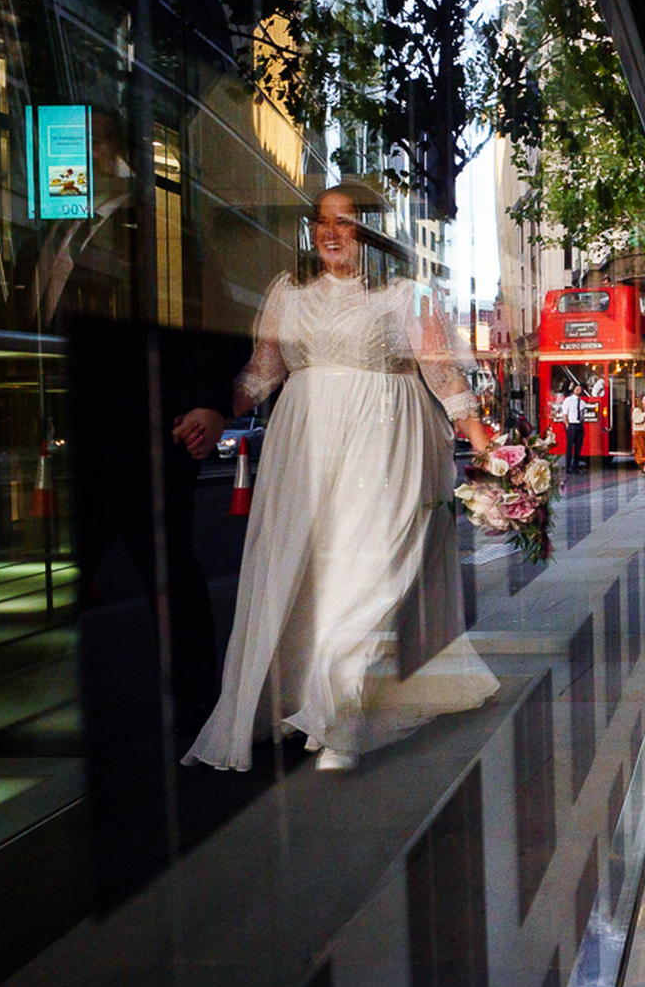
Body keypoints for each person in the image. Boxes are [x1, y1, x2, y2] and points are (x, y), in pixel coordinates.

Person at [183, 183, 499, 774]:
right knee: (308, 570)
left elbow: (442, 372)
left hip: (386, 438)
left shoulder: (405, 295)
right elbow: (262, 371)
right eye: (321, 221)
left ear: (374, 233)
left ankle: (342, 709)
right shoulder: (288, 290)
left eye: (347, 223)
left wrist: (488, 449)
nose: (329, 233)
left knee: (373, 571)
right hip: (303, 443)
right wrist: (219, 411)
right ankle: (304, 699)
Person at [562, 382, 586, 472]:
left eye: (580, 389)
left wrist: (581, 424)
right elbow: (565, 414)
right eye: (577, 388)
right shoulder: (568, 400)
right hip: (571, 424)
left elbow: (583, 415)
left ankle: (575, 466)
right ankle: (568, 467)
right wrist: (567, 424)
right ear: (573, 389)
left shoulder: (583, 403)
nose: (578, 390)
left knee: (578, 447)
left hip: (579, 425)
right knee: (569, 446)